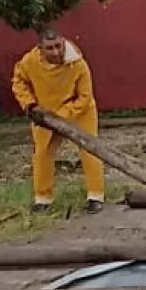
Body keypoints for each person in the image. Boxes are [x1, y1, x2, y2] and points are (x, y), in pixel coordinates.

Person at [11, 29, 105, 214]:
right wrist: (30, 105)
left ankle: (96, 196)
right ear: (40, 49)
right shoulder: (29, 61)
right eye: (49, 48)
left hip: (79, 112)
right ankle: (42, 199)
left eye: (58, 46)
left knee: (90, 151)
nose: (55, 52)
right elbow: (18, 81)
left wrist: (61, 115)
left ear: (63, 43)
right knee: (42, 154)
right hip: (44, 115)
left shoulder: (78, 63)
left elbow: (85, 97)